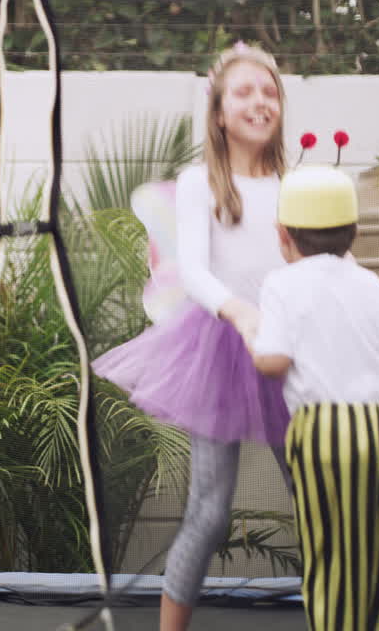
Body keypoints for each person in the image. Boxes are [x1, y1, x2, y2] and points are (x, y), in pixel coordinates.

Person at [92, 41, 292, 631]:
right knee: (208, 510)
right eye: (244, 92)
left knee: (315, 498)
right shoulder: (200, 183)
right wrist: (239, 312)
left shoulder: (292, 183)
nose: (260, 102)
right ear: (219, 112)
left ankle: (339, 612)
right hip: (222, 351)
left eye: (270, 91)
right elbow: (197, 271)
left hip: (286, 350)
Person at [247, 165, 379, 631]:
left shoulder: (282, 284)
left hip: (325, 431)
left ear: (282, 234)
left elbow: (273, 362)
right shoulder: (368, 282)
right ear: (355, 233)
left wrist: (251, 334)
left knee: (331, 559)